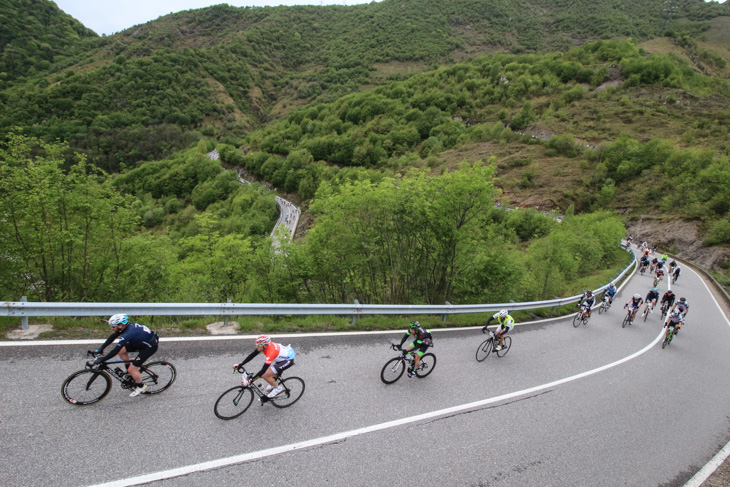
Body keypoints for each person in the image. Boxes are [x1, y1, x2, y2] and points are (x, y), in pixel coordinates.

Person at [93, 314, 159, 397]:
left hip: (149, 347)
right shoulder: (125, 326)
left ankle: (141, 386)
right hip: (141, 342)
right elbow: (113, 337)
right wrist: (101, 348)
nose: (112, 328)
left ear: (120, 325)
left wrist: (102, 360)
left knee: (132, 369)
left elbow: (115, 350)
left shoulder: (128, 333)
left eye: (113, 326)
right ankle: (129, 372)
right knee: (121, 351)